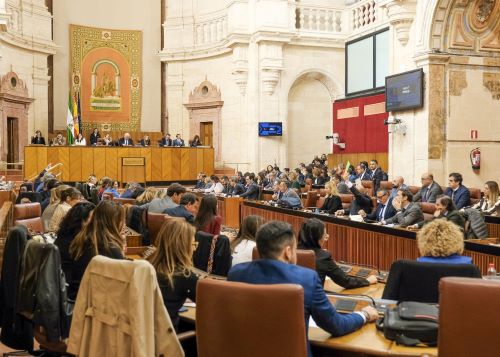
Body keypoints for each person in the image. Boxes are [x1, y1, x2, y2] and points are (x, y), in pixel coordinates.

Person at [228, 221, 379, 356]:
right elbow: (336, 325)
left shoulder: (236, 273)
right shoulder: (307, 279)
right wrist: (364, 314)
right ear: (288, 252)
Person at [148, 218, 201, 330]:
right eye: (193, 244)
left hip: (145, 339)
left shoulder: (147, 265)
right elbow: (210, 306)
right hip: (169, 342)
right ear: (183, 247)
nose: (194, 249)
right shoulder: (186, 276)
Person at [68, 200, 126, 300]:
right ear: (114, 222)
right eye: (122, 220)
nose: (124, 224)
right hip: (91, 304)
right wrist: (122, 249)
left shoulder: (84, 238)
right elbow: (120, 284)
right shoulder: (110, 248)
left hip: (76, 297)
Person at [298, 218, 377, 287]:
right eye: (325, 235)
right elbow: (346, 281)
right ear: (316, 238)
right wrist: (367, 281)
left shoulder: (292, 251)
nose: (326, 237)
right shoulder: (323, 257)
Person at [54, 202, 96, 286]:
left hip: (64, 284)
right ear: (82, 221)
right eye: (93, 219)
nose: (96, 222)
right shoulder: (80, 242)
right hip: (75, 288)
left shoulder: (63, 235)